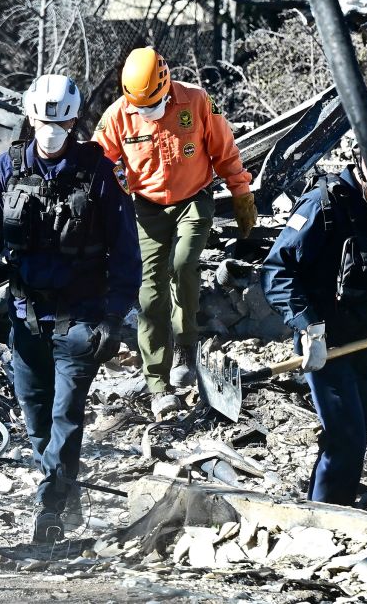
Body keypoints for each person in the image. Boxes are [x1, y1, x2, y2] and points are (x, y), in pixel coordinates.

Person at [0, 74, 139, 543]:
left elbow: (126, 255)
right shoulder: (7, 169)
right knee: (37, 421)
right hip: (26, 320)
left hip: (82, 321)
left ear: (75, 121)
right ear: (30, 117)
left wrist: (113, 317)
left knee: (66, 418)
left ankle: (48, 511)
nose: (53, 129)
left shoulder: (99, 174)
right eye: (45, 120)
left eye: (63, 121)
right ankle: (66, 495)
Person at [259, 117, 367, 505]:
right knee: (344, 433)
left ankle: (337, 508)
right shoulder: (324, 203)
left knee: (358, 434)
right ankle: (325, 516)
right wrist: (307, 326)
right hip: (326, 344)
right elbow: (276, 269)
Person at [93, 47, 256, 418]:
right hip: (146, 209)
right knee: (149, 295)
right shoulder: (118, 116)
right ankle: (157, 384)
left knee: (183, 265)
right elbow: (97, 164)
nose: (146, 113)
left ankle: (186, 346)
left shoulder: (196, 102)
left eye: (152, 106)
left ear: (166, 86)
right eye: (140, 107)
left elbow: (224, 151)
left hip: (193, 200)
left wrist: (241, 193)